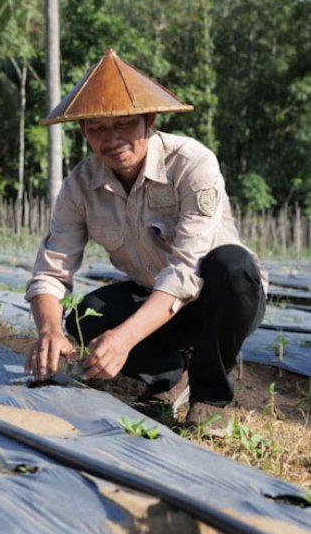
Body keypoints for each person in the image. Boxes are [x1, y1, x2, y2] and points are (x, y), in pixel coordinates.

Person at [24, 49, 267, 437]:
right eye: (98, 129)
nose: (112, 139)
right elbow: (51, 271)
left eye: (123, 125)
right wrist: (49, 331)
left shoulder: (190, 162)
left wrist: (125, 339)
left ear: (148, 120)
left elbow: (187, 273)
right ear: (84, 132)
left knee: (231, 266)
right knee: (83, 325)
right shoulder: (79, 186)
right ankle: (173, 374)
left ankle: (210, 395)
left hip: (221, 298)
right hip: (154, 299)